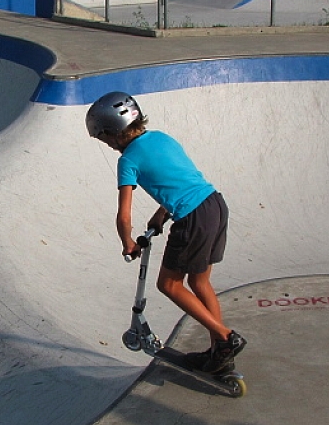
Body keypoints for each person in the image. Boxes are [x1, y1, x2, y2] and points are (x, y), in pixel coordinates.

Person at [86, 92, 246, 374]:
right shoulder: (161, 137)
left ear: (113, 131)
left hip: (192, 219)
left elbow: (124, 216)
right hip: (215, 205)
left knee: (169, 285)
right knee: (200, 283)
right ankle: (220, 354)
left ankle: (225, 338)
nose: (107, 145)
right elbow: (178, 179)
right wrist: (161, 213)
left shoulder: (128, 160)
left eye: (103, 138)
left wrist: (128, 242)